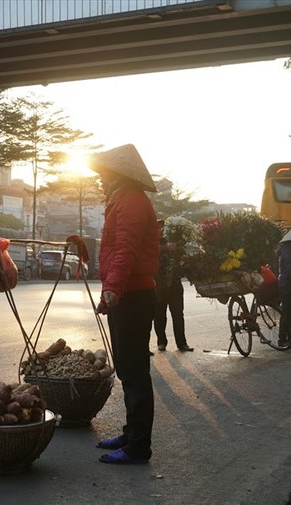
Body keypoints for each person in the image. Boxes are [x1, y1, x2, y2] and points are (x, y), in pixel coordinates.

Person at [89, 144, 160, 465]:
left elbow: (125, 250)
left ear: (118, 175)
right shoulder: (121, 200)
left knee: (135, 373)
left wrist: (113, 289)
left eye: (104, 175)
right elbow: (113, 251)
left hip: (133, 295)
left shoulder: (131, 202)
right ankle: (131, 433)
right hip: (126, 294)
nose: (101, 181)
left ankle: (138, 447)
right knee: (128, 370)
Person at [153, 219, 193, 353]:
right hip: (159, 285)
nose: (160, 230)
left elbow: (182, 254)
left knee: (178, 314)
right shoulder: (151, 243)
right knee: (159, 315)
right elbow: (151, 253)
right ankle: (161, 342)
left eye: (162, 228)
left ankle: (182, 343)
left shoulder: (171, 241)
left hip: (175, 284)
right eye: (158, 228)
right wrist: (166, 248)